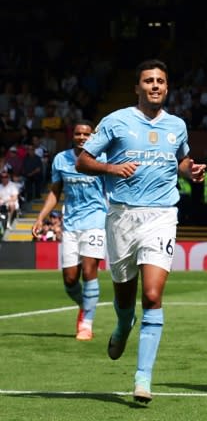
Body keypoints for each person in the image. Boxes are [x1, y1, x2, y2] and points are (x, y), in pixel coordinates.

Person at [76, 59, 206, 404]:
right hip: (121, 217)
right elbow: (83, 161)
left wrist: (190, 172)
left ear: (166, 87)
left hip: (161, 215)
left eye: (160, 81)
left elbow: (179, 160)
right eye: (148, 81)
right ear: (138, 88)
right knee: (124, 295)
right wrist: (111, 167)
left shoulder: (177, 125)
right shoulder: (116, 120)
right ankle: (122, 325)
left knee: (151, 295)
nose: (154, 86)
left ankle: (142, 378)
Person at [32, 121, 108, 341]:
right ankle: (86, 305)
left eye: (86, 133)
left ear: (92, 136)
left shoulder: (101, 158)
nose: (82, 137)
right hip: (71, 224)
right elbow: (55, 192)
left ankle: (86, 324)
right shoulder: (61, 160)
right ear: (72, 136)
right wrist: (41, 217)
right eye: (78, 133)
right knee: (70, 279)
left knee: (88, 270)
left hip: (96, 220)